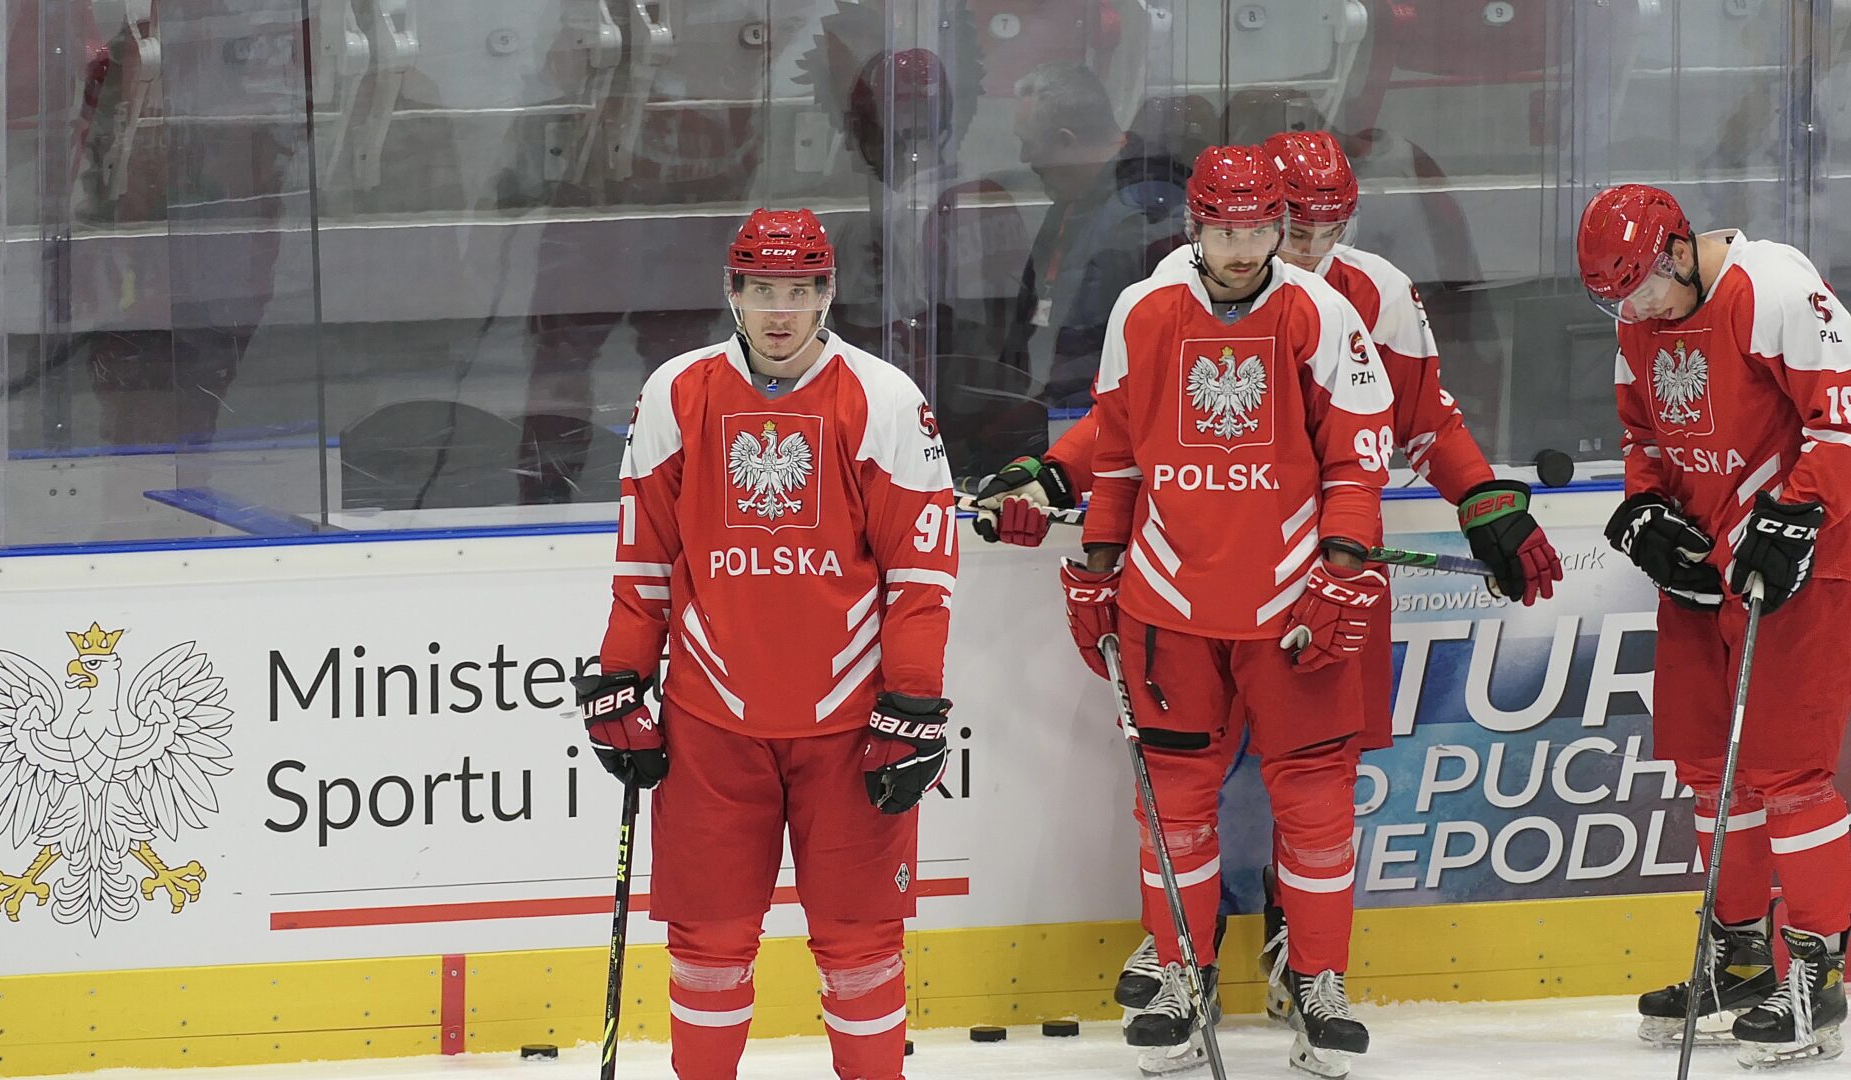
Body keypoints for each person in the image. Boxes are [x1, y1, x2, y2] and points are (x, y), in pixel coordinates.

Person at [975, 130, 1563, 1038]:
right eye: (1296, 228)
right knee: (1184, 789)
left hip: (1317, 572)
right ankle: (1186, 951)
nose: (1311, 247)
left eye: (1326, 228)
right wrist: (1057, 480)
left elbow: (1417, 425)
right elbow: (1123, 431)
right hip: (1185, 587)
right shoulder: (1159, 301)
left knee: (1316, 784)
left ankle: (1303, 949)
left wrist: (1480, 501)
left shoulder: (1371, 298)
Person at [573, 208, 959, 1080]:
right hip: (711, 721)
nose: (780, 310)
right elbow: (645, 559)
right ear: (733, 292)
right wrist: (622, 676)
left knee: (860, 947)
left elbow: (921, 574)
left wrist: (913, 703)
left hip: (850, 724)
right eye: (761, 289)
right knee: (708, 946)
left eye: (798, 290)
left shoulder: (885, 399)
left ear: (827, 293)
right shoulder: (677, 393)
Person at [1064, 144, 1393, 1077]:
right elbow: (1116, 459)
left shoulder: (1320, 313)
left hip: (1290, 604)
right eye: (1227, 230)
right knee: (1173, 808)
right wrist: (1099, 567)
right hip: (1168, 601)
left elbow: (1356, 461)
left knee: (1317, 804)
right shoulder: (1143, 311)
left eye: (1259, 229)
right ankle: (1183, 977)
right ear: (1195, 226)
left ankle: (1319, 985)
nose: (1245, 248)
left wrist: (1340, 569)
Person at [1579, 183, 1851, 1067]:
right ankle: (1739, 959)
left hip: (1797, 566)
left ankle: (1820, 971)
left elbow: (1842, 421)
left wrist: (1797, 515)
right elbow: (1644, 440)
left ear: (1675, 250)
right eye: (1617, 302)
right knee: (1709, 771)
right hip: (1705, 570)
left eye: (1642, 291)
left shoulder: (1774, 287)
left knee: (1789, 774)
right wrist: (1645, 511)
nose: (1635, 313)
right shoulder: (1638, 318)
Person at [1002, 62, 1190, 408]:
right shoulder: (1076, 198)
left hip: (1094, 414)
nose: (1024, 157)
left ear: (1066, 141)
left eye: (1028, 144)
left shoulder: (1142, 218)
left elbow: (1134, 357)